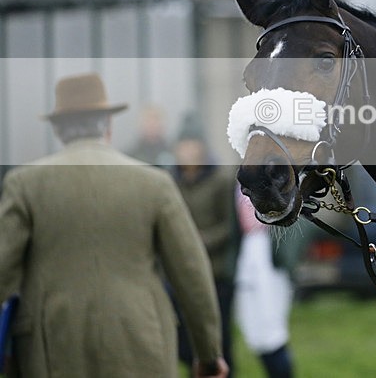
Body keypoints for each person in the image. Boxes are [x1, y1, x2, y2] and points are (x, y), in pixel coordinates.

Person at [0, 73, 228, 378]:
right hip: (142, 342)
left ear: (57, 129)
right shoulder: (155, 184)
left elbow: (3, 269)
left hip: (49, 348)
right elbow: (191, 273)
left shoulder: (23, 184)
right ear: (108, 126)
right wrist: (208, 354)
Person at [172, 116, 241, 377]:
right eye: (183, 146)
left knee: (219, 342)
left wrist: (200, 241)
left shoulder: (221, 179)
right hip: (183, 274)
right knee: (186, 342)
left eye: (192, 145)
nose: (187, 151)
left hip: (216, 273)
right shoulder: (171, 181)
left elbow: (229, 227)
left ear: (201, 148)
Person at [234, 186, 301, 378]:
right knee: (253, 327)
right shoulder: (239, 181)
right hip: (247, 256)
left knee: (272, 328)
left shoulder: (278, 174)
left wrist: (287, 255)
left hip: (270, 257)